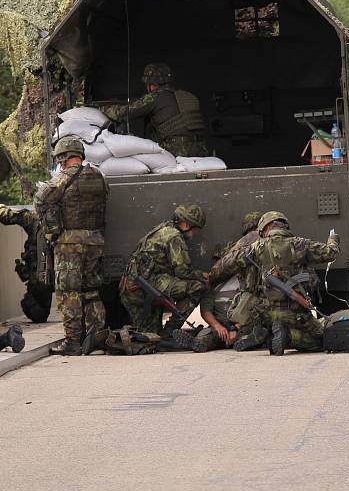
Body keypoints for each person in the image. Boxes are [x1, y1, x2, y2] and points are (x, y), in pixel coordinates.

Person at [211, 211, 340, 356]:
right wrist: (333, 239)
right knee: (322, 340)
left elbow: (227, 264)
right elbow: (331, 253)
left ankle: (266, 335)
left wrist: (211, 276)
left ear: (266, 227)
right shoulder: (301, 244)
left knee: (271, 325)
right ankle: (289, 336)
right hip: (295, 311)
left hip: (265, 312)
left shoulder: (255, 248)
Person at [33, 136, 108, 356]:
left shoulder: (63, 178)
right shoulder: (99, 177)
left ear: (64, 157)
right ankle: (96, 337)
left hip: (69, 243)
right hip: (95, 241)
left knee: (69, 292)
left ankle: (73, 341)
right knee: (91, 290)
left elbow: (39, 200)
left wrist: (52, 223)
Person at [172, 211, 264, 352]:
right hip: (221, 324)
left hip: (241, 324)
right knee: (209, 335)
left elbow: (254, 305)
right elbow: (206, 310)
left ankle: (244, 341)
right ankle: (199, 343)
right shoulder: (213, 283)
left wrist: (235, 328)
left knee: (251, 331)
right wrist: (218, 326)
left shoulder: (250, 278)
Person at [119, 204, 209, 339]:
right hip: (143, 288)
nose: (195, 233)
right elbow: (182, 271)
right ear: (186, 224)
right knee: (197, 287)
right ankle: (170, 332)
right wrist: (203, 276)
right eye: (196, 229)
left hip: (134, 288)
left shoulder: (163, 229)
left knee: (151, 336)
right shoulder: (174, 237)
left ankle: (161, 336)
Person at [103, 63, 207, 157]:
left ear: (149, 84)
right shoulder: (187, 96)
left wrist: (103, 109)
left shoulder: (155, 97)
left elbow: (122, 113)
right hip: (200, 149)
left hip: (176, 151)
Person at [0, 204, 53, 323]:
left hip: (43, 276)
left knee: (37, 312)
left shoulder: (33, 218)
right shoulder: (62, 217)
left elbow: (8, 216)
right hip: (50, 275)